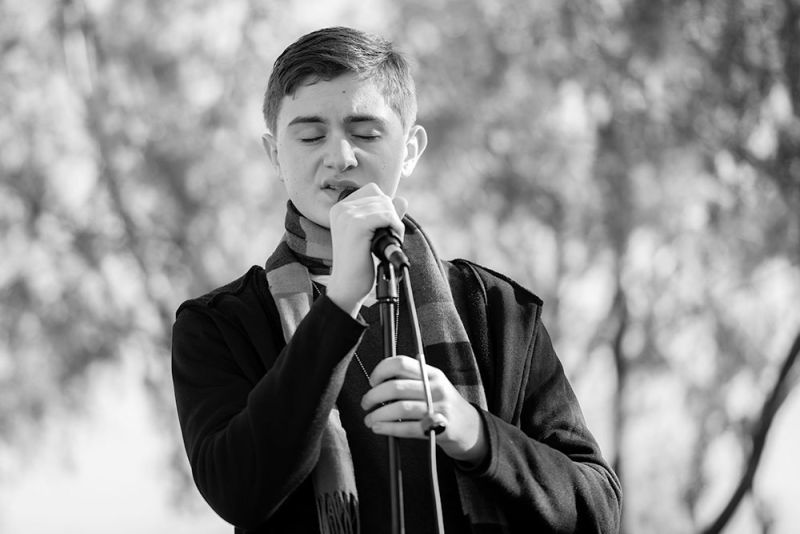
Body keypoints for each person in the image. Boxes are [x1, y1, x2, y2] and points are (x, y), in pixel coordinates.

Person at [171, 26, 622, 534]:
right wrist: (339, 303)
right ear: (275, 154)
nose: (340, 157)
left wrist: (475, 433)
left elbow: (598, 509)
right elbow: (240, 492)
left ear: (410, 149)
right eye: (310, 134)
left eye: (365, 133)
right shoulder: (221, 324)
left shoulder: (494, 309)